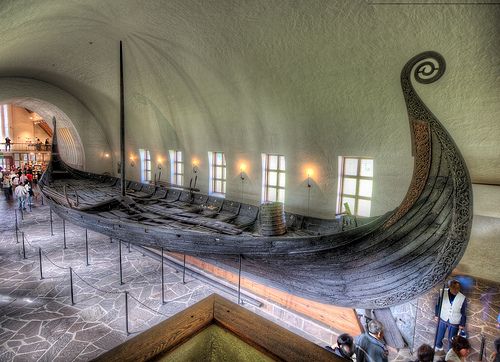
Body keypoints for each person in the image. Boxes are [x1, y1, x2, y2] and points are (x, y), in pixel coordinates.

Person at [434, 280, 467, 351]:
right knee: (439, 334)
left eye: (457, 288)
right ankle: (438, 346)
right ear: (450, 287)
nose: (456, 290)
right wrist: (437, 314)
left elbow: (463, 312)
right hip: (443, 317)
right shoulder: (442, 292)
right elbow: (438, 304)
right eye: (454, 288)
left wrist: (462, 324)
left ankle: (450, 351)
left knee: (452, 338)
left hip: (454, 321)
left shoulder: (463, 298)